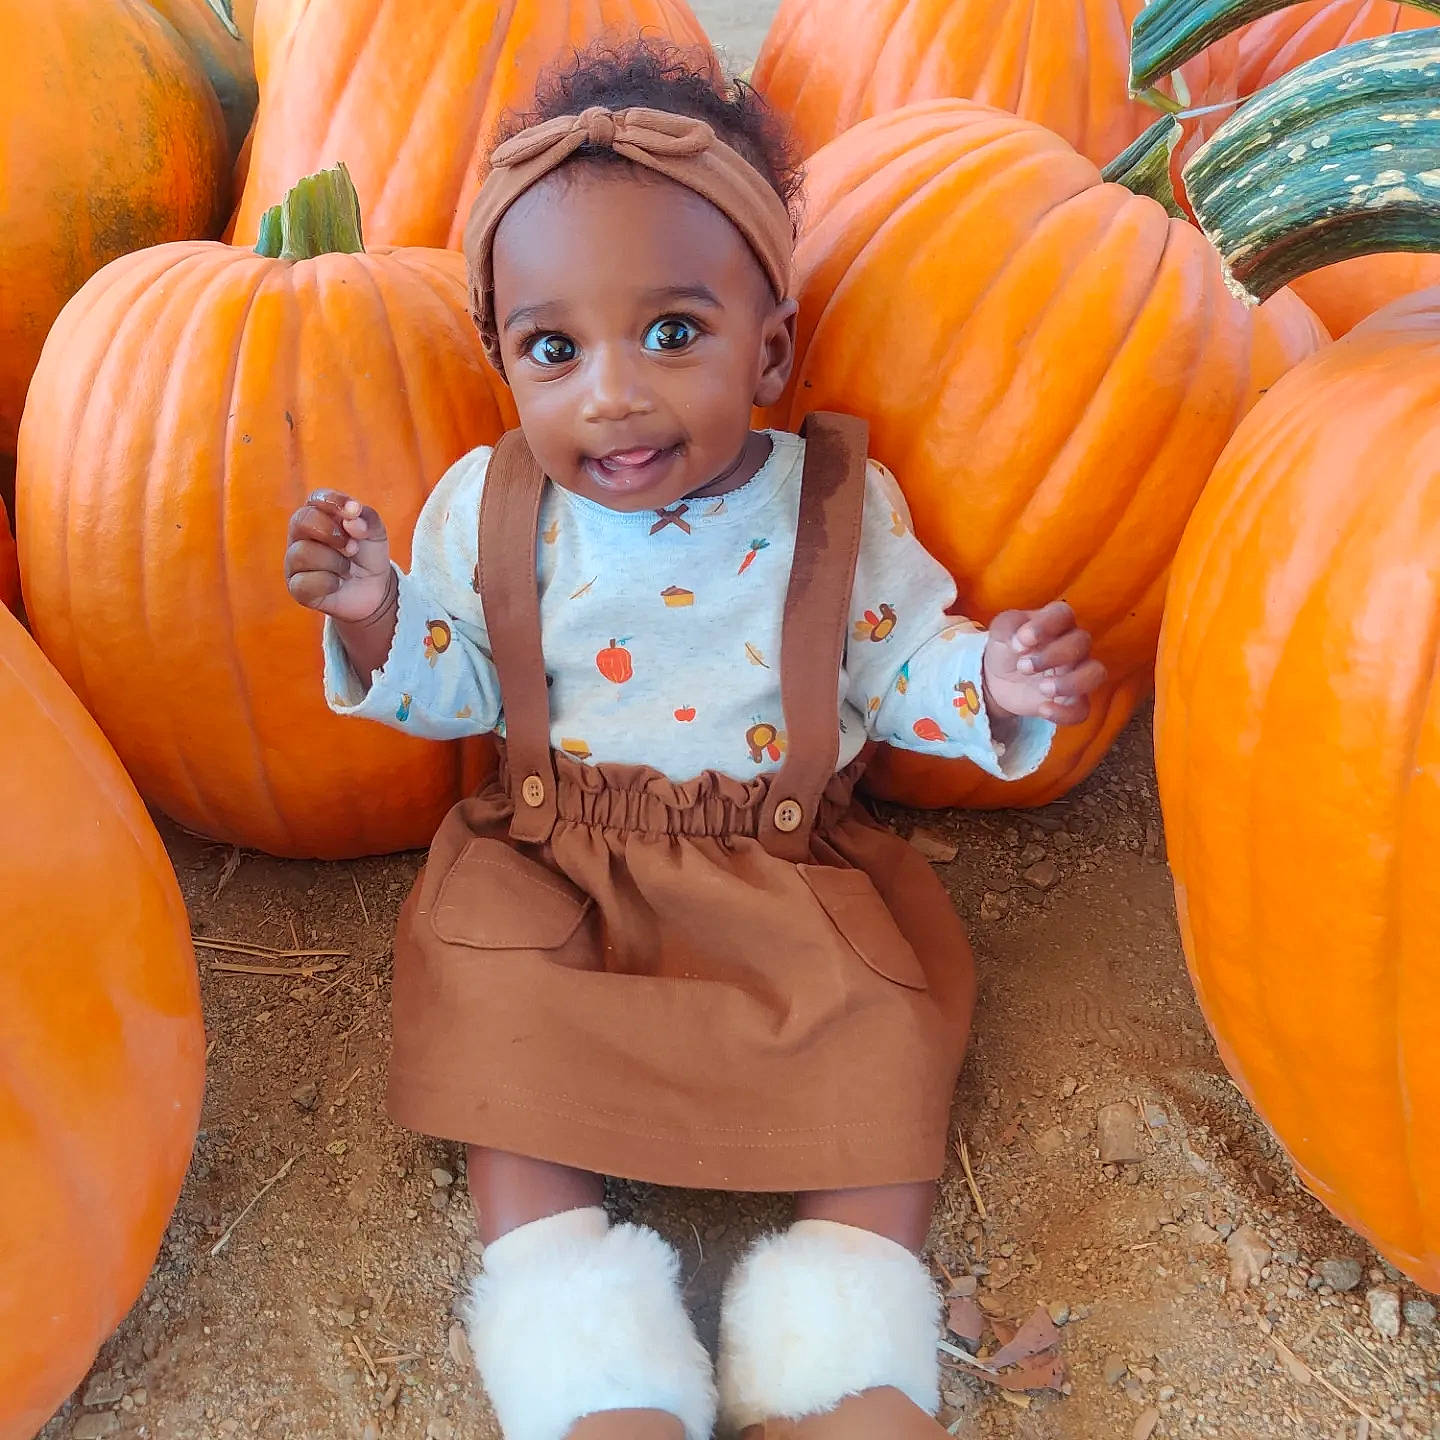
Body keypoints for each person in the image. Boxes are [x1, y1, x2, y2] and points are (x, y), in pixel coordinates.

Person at [284, 40, 1104, 1440]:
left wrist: (999, 685)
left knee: (880, 1042)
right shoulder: (491, 507)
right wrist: (374, 612)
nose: (612, 393)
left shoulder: (832, 506)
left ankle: (839, 1345)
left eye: (672, 333)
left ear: (768, 344)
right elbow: (460, 679)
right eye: (557, 348)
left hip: (779, 877)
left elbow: (899, 662)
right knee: (507, 1040)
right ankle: (583, 1349)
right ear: (506, 363)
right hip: (560, 874)